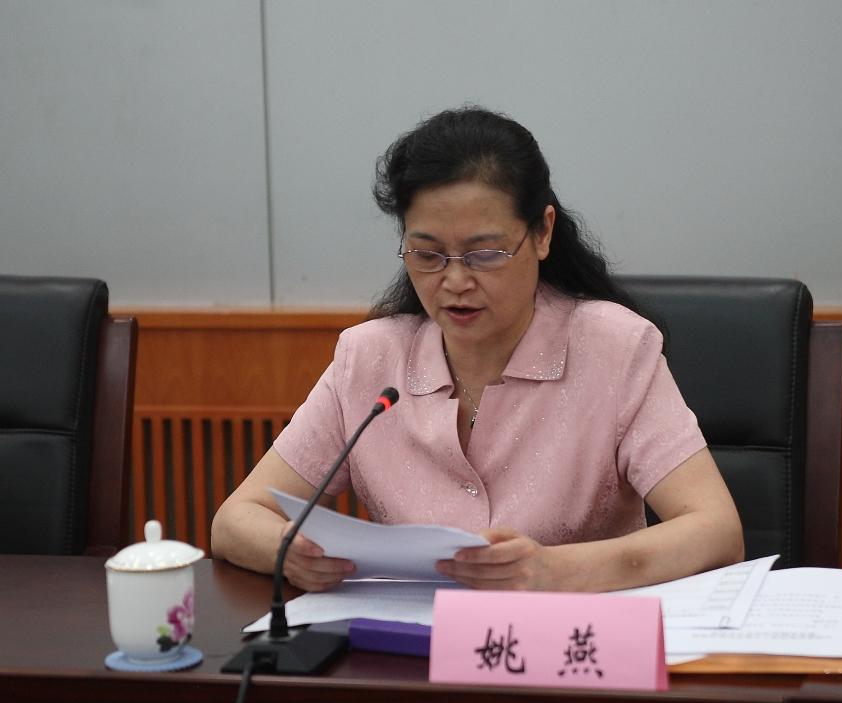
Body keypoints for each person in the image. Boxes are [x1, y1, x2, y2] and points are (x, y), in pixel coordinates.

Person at [211, 106, 743, 592]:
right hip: (410, 650)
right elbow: (235, 520)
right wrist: (291, 552)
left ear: (542, 233)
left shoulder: (615, 350)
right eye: (427, 255)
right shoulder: (369, 359)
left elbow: (717, 532)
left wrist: (553, 571)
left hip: (570, 646)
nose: (455, 282)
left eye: (484, 253)